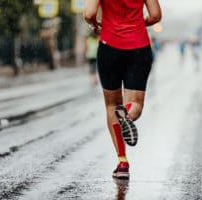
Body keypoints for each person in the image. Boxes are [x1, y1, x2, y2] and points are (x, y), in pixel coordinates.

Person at [84, 0, 161, 179]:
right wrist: (140, 23)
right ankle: (126, 116)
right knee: (135, 105)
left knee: (112, 106)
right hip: (139, 47)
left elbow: (88, 14)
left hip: (109, 46)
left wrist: (96, 26)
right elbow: (156, 15)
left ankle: (122, 161)